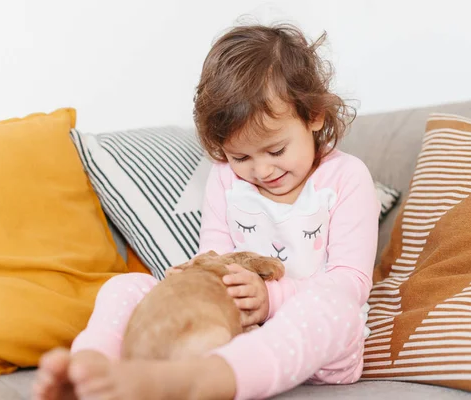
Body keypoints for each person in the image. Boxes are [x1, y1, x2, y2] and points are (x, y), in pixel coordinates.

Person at [33, 23, 379, 400]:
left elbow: (350, 282)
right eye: (241, 156)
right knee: (127, 286)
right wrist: (195, 275)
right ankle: (92, 370)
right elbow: (215, 252)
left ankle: (206, 380)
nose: (261, 171)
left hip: (320, 351)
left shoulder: (346, 177)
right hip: (231, 329)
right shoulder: (226, 178)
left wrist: (271, 299)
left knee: (335, 308)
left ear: (314, 116)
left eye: (276, 150)